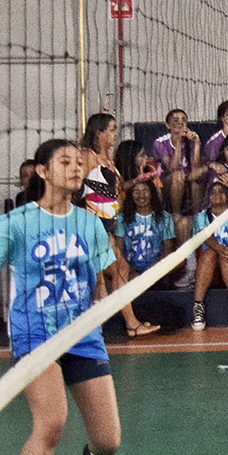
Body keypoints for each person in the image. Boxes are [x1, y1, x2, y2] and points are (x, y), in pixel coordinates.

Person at [0, 138, 124, 455]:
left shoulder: (90, 223)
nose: (76, 169)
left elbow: (98, 280)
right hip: (35, 336)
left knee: (109, 439)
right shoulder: (16, 222)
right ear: (42, 171)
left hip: (83, 335)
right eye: (65, 162)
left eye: (79, 162)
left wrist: (101, 303)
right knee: (51, 421)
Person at [79, 112, 159, 339]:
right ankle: (128, 324)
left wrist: (138, 179)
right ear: (99, 132)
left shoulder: (108, 159)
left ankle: (102, 326)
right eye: (112, 129)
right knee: (115, 271)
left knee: (115, 271)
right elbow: (77, 185)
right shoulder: (87, 156)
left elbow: (117, 189)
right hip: (92, 223)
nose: (116, 134)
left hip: (108, 223)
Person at [191, 179, 228, 331]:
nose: (217, 195)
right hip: (210, 271)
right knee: (209, 253)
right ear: (208, 197)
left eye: (221, 192)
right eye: (213, 192)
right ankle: (198, 306)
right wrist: (222, 250)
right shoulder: (201, 217)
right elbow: (205, 238)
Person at [151, 107, 201, 241]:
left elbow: (196, 169)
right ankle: (176, 213)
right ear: (168, 125)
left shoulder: (190, 140)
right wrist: (178, 143)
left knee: (196, 182)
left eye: (184, 120)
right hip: (165, 184)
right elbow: (172, 168)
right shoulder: (160, 142)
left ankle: (198, 217)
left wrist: (197, 144)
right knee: (178, 175)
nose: (180, 123)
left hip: (186, 183)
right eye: (175, 120)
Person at [114, 178, 176, 280]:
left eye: (145, 191)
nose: (141, 195)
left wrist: (152, 272)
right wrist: (129, 271)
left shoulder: (165, 217)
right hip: (130, 272)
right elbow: (119, 250)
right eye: (136, 192)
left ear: (151, 194)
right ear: (131, 195)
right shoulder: (122, 218)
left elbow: (167, 250)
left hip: (157, 271)